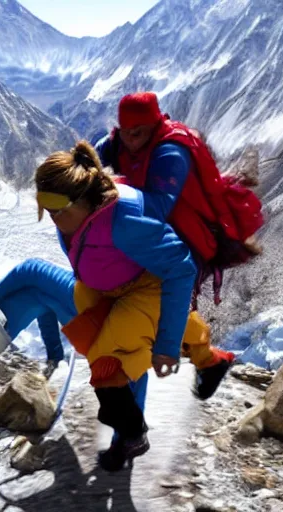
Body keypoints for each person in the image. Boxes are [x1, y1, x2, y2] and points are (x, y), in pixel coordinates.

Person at [0, 140, 197, 471]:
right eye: (45, 207)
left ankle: (128, 438)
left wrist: (167, 347)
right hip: (103, 292)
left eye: (56, 209)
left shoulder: (125, 219)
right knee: (31, 279)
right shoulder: (74, 218)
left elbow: (182, 268)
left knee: (113, 364)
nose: (51, 217)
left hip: (144, 296)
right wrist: (55, 352)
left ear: (83, 201)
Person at [93, 91, 240, 401]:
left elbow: (158, 206)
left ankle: (199, 361)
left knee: (154, 303)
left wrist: (109, 191)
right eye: (126, 133)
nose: (131, 140)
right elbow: (92, 158)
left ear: (154, 124)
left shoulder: (171, 151)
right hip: (155, 234)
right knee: (158, 304)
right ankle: (209, 360)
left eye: (139, 133)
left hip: (186, 238)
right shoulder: (121, 140)